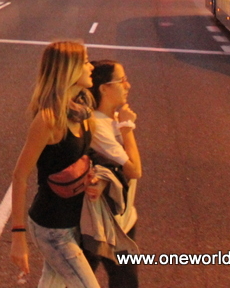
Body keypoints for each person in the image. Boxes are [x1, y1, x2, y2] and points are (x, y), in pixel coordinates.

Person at [10, 41, 103, 288]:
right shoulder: (49, 120)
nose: (91, 67)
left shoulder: (84, 112)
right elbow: (19, 176)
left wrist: (92, 178)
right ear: (69, 70)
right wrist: (18, 237)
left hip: (74, 221)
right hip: (51, 227)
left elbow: (81, 158)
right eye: (85, 62)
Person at [88, 60, 142, 288]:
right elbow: (134, 170)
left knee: (126, 282)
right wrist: (127, 128)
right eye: (121, 80)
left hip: (123, 220)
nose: (127, 85)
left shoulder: (111, 121)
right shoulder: (97, 126)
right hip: (99, 225)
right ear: (104, 88)